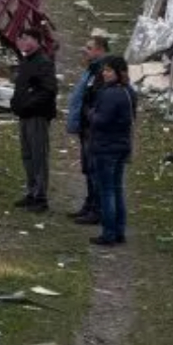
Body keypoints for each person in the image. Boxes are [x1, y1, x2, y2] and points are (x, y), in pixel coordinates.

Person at [88, 55, 137, 246]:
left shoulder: (110, 94)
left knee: (107, 191)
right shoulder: (129, 92)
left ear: (118, 72)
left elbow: (101, 120)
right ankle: (119, 231)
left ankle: (109, 233)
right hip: (122, 145)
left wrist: (91, 114)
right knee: (117, 189)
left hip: (106, 146)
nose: (104, 73)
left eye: (108, 70)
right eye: (104, 70)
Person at [10, 27, 58, 213]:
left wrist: (29, 105)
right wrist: (16, 104)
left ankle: (41, 197)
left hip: (37, 116)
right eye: (20, 38)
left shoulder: (43, 62)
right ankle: (31, 192)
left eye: (26, 38)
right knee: (27, 156)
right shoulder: (26, 60)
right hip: (24, 115)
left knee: (38, 157)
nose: (22, 41)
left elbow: (49, 90)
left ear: (36, 41)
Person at [65, 35, 109, 223]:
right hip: (86, 127)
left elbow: (99, 101)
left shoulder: (103, 72)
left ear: (100, 50)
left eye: (89, 48)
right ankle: (90, 204)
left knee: (94, 169)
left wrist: (90, 116)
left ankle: (97, 210)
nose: (85, 50)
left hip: (94, 129)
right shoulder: (92, 69)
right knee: (88, 168)